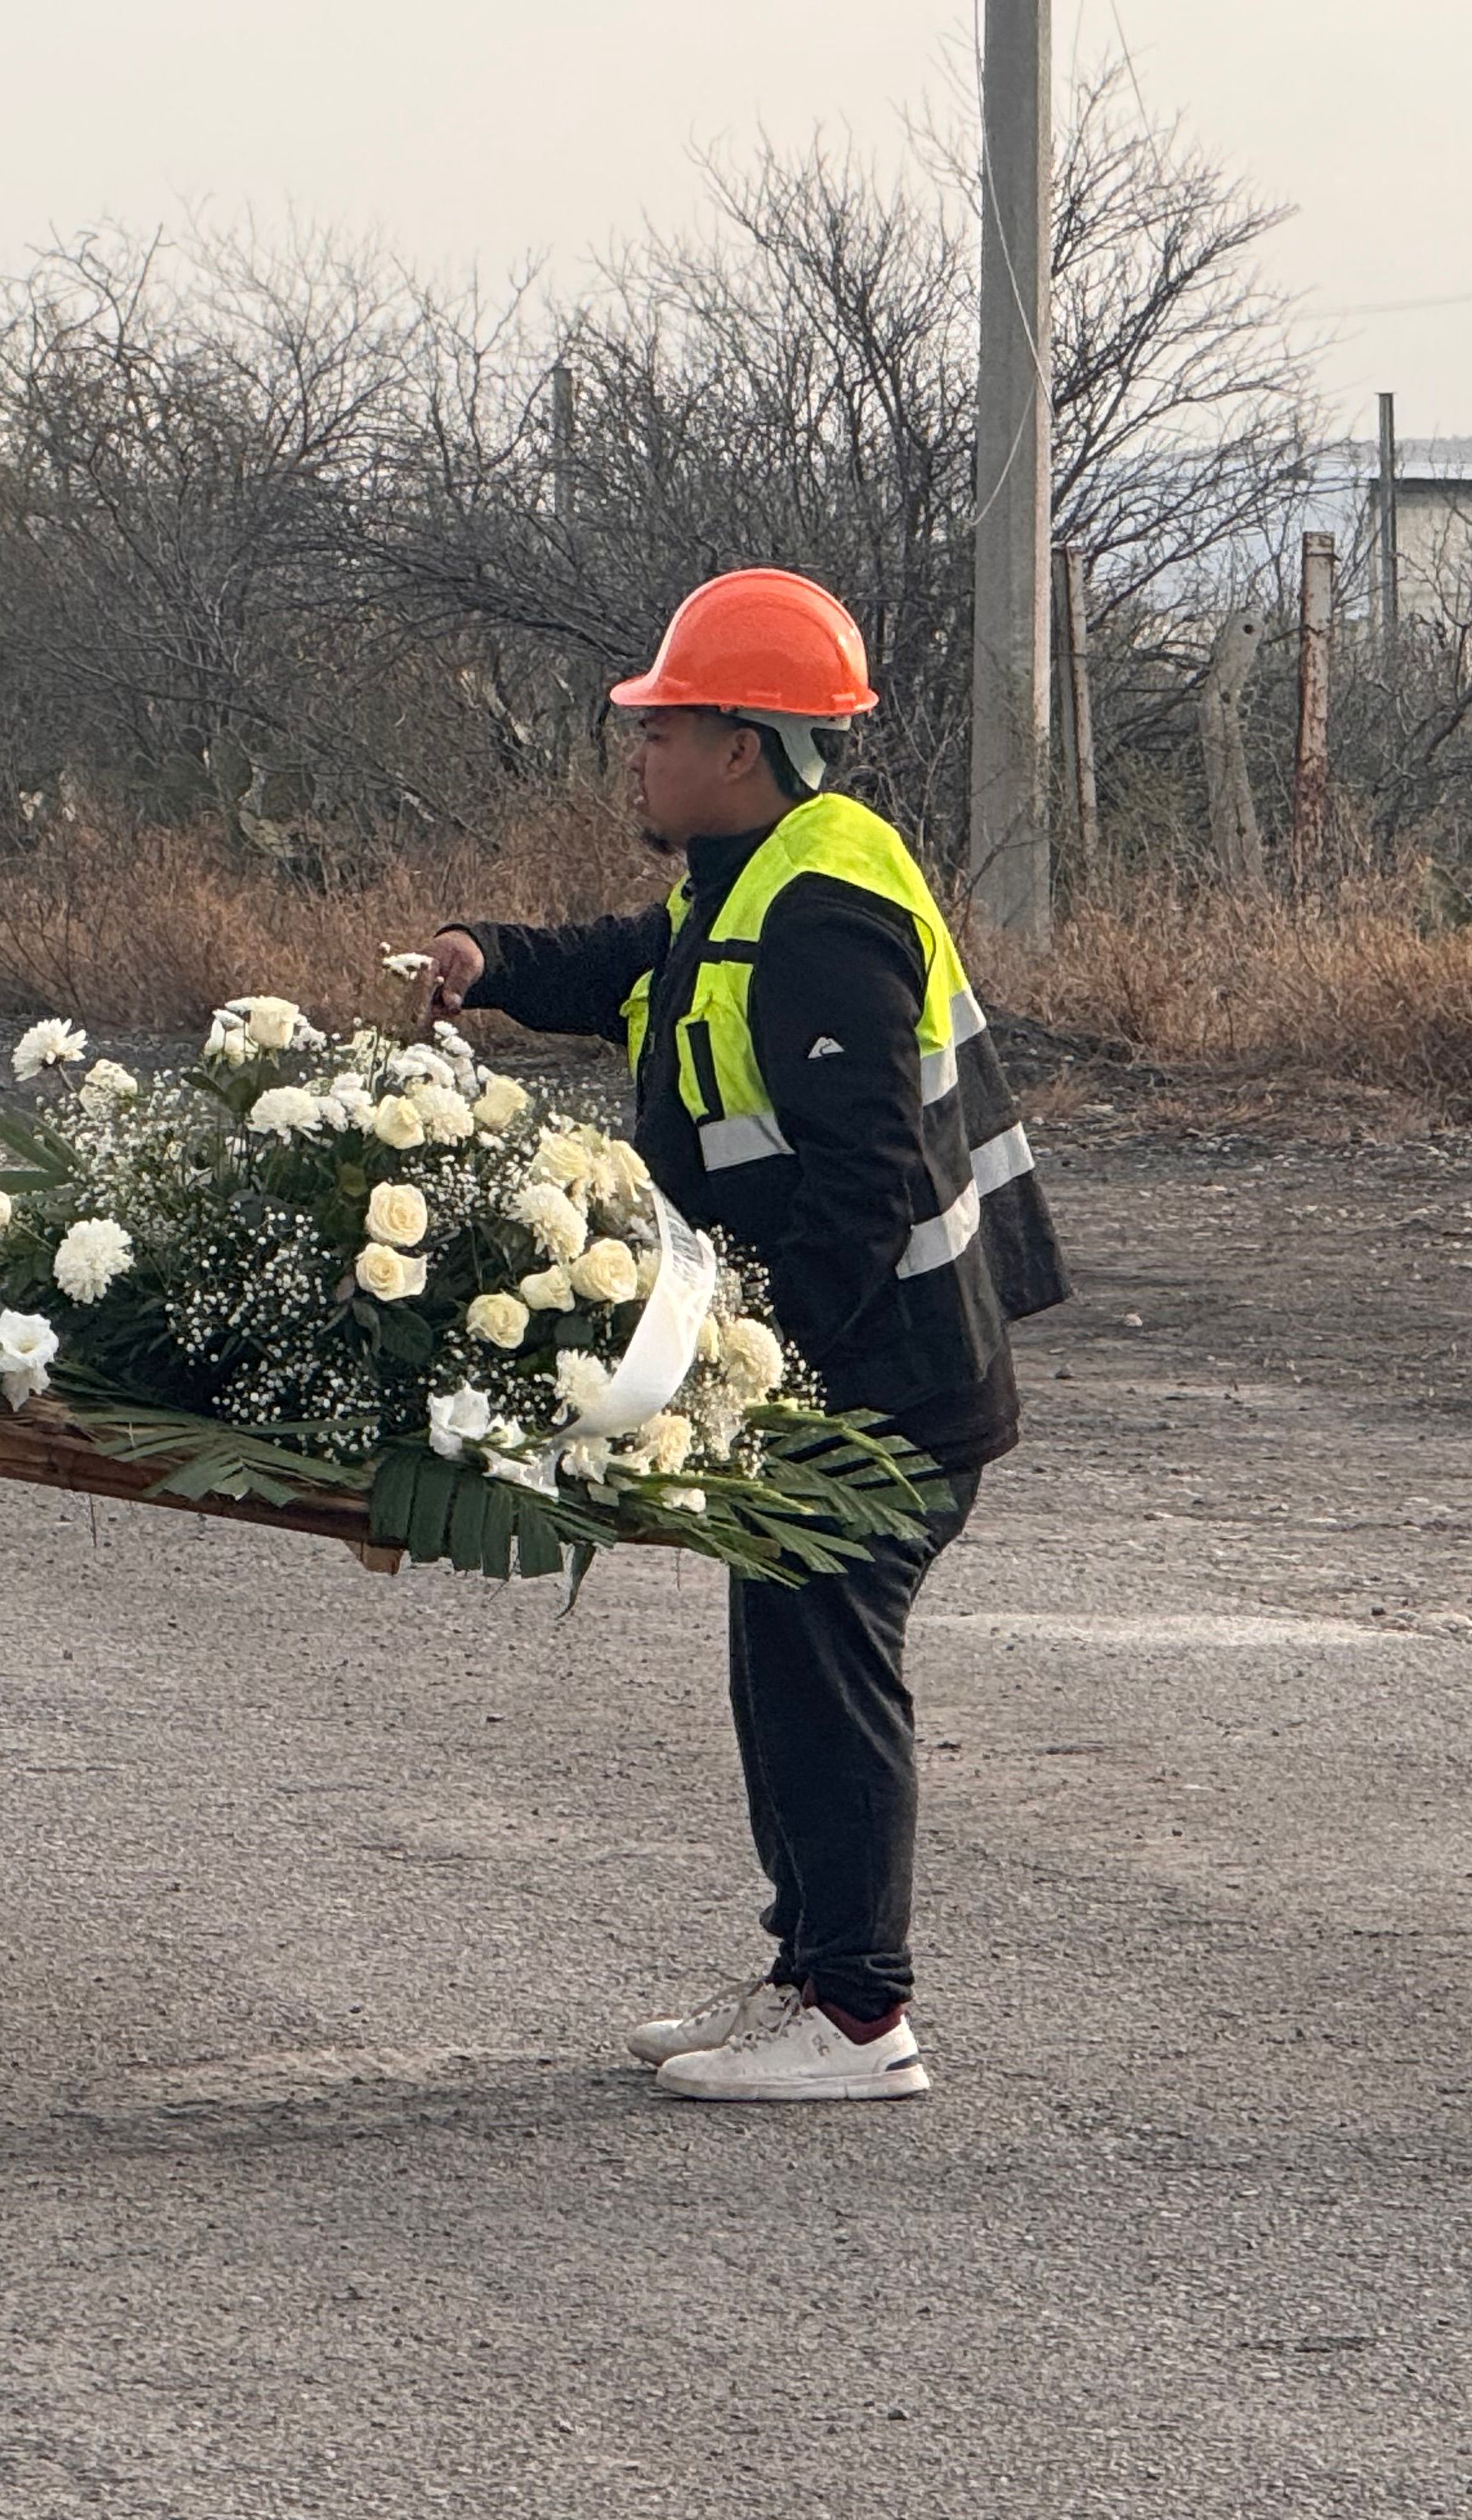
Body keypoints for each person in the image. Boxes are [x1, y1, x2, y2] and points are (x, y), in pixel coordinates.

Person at [423, 568, 1069, 2102]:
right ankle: (807, 1974)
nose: (636, 751)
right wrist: (488, 962)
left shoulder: (825, 912)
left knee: (828, 1675)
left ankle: (857, 2018)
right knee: (781, 1667)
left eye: (662, 727)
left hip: (888, 1388)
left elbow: (862, 1190)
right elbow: (636, 963)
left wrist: (739, 1362)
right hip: (843, 1381)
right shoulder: (747, 873)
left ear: (745, 743)